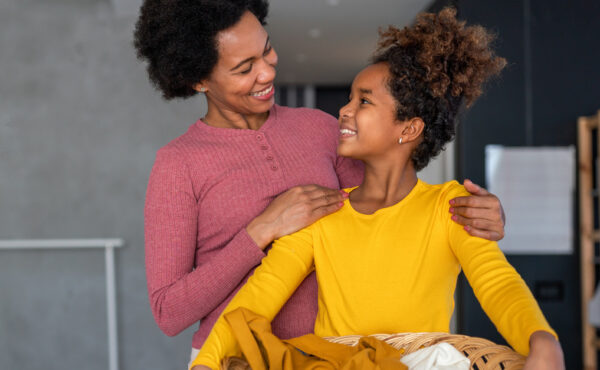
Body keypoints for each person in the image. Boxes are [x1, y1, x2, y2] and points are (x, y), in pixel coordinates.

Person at [189, 8, 564, 370]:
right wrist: (206, 363)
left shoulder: (447, 207)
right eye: (351, 98)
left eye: (364, 101)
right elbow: (257, 298)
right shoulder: (322, 213)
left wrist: (543, 341)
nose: (344, 111)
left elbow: (497, 284)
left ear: (409, 129)